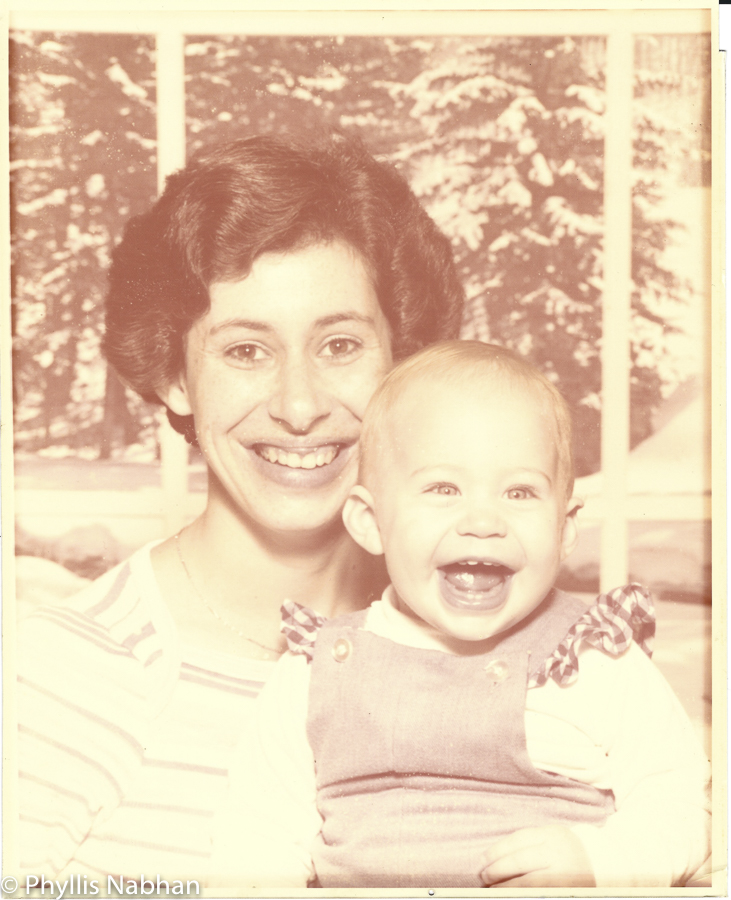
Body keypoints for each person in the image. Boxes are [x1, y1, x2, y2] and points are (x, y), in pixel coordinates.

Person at [16, 132, 464, 881]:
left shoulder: (477, 637)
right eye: (245, 351)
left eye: (340, 345)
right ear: (175, 377)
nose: (299, 406)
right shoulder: (65, 675)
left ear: (402, 362)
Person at [214, 340, 711, 889]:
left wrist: (601, 862)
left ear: (565, 527)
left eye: (519, 492)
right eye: (443, 488)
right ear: (371, 523)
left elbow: (682, 805)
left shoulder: (593, 657)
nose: (482, 521)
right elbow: (257, 834)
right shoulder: (317, 668)